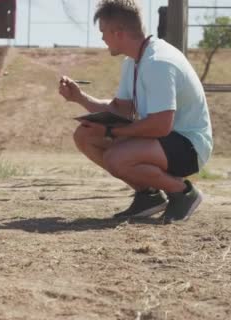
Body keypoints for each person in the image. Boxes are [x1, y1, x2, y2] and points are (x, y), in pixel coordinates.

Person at [58, 0, 212, 223]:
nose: (102, 38)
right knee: (85, 135)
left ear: (118, 32)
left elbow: (161, 124)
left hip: (189, 147)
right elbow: (119, 109)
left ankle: (183, 193)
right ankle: (148, 196)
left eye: (103, 32)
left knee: (117, 157)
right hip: (165, 140)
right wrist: (79, 98)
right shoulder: (134, 61)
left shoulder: (158, 62)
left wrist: (112, 131)